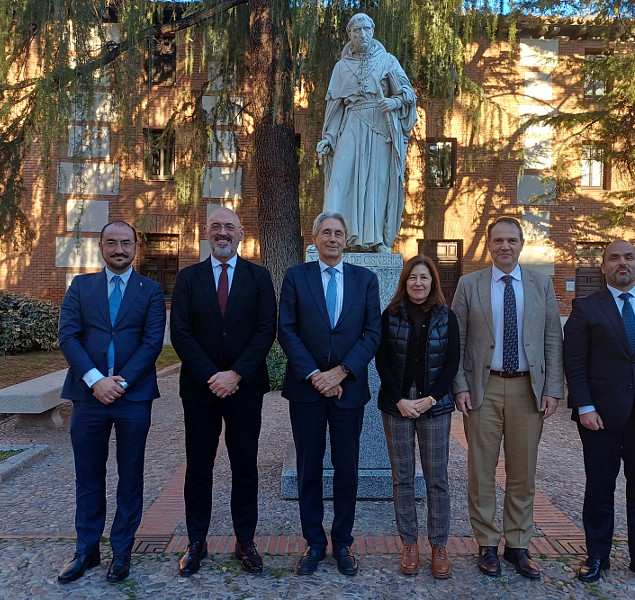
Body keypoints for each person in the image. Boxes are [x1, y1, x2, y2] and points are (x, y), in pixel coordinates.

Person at [563, 239, 635, 594]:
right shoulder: (585, 308)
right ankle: (596, 556)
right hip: (600, 418)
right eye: (613, 258)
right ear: (603, 267)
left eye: (628, 257)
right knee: (599, 490)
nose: (621, 263)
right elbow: (575, 362)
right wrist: (584, 406)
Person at [451, 216, 563, 580]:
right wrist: (460, 385)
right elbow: (457, 340)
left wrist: (552, 389)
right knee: (481, 470)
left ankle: (517, 545)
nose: (505, 246)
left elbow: (552, 339)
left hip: (527, 388)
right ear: (488, 244)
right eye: (498, 240)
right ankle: (486, 544)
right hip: (484, 387)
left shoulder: (540, 283)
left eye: (511, 240)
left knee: (523, 472)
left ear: (521, 243)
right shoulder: (469, 285)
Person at [169, 207, 277, 577]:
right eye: (215, 226)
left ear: (241, 233)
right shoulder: (188, 278)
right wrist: (211, 375)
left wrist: (235, 375)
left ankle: (245, 541)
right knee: (199, 466)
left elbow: (266, 330)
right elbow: (180, 333)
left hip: (245, 388)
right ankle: (196, 541)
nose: (222, 232)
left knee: (244, 466)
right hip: (200, 389)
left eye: (229, 226)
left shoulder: (259, 277)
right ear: (205, 232)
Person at [57, 220, 166, 584]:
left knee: (130, 476)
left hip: (133, 397)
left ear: (137, 247)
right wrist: (95, 381)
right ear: (101, 246)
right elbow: (69, 337)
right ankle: (86, 551)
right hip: (88, 396)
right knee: (88, 476)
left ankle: (122, 553)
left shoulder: (150, 289)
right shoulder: (81, 286)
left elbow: (152, 342)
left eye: (126, 243)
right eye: (112, 243)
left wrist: (119, 383)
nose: (119, 250)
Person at [278, 212, 381, 576]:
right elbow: (286, 330)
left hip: (348, 390)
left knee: (346, 469)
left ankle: (343, 542)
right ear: (315, 237)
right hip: (306, 390)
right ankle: (314, 542)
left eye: (339, 233)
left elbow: (372, 333)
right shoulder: (296, 277)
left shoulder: (365, 280)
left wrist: (340, 372)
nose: (332, 238)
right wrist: (315, 375)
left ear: (346, 239)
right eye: (326, 232)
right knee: (308, 468)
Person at [375, 255, 460, 579]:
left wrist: (431, 398)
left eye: (424, 278)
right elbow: (381, 361)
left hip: (434, 408)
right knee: (403, 478)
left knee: (437, 479)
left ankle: (439, 545)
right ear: (405, 283)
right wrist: (400, 399)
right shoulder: (390, 315)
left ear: (432, 282)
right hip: (396, 407)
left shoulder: (446, 317)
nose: (418, 283)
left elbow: (451, 363)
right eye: (413, 278)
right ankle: (409, 543)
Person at [316, 13, 417, 253]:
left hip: (379, 129)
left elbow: (408, 94)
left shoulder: (387, 61)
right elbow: (335, 108)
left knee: (376, 184)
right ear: (349, 34)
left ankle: (375, 240)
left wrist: (393, 103)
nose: (362, 35)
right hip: (351, 123)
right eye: (356, 30)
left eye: (366, 29)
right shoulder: (341, 67)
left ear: (372, 31)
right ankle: (329, 237)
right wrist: (328, 139)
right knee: (339, 181)